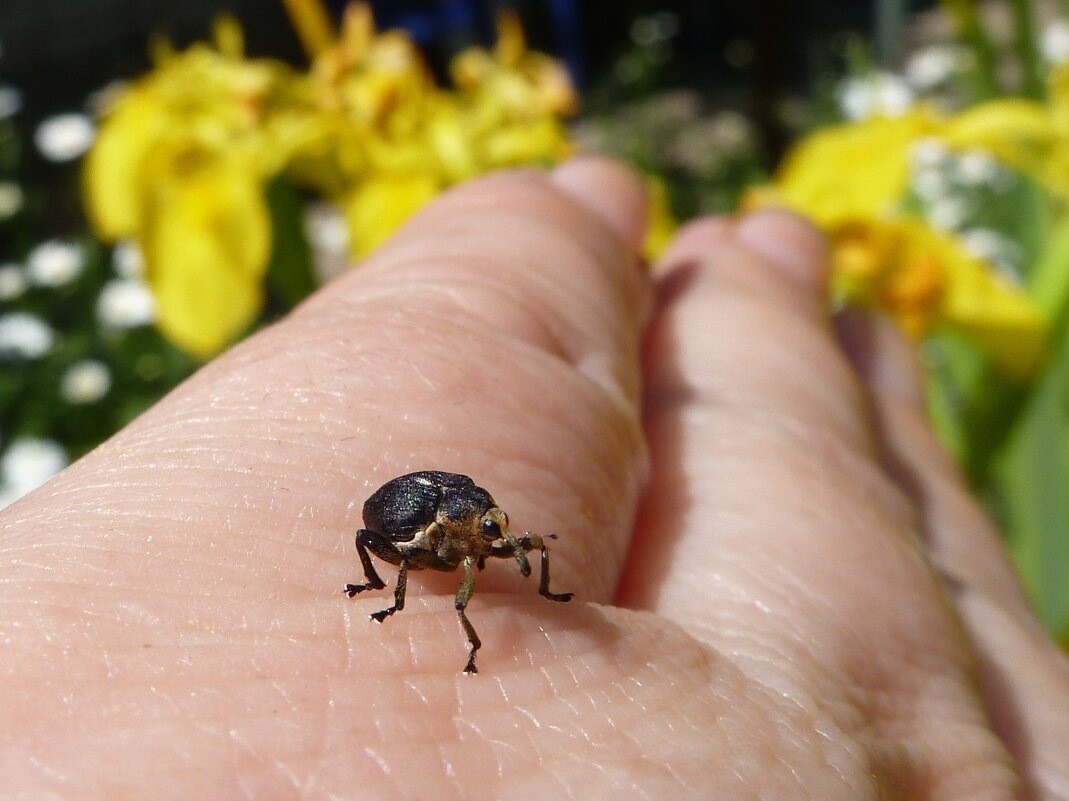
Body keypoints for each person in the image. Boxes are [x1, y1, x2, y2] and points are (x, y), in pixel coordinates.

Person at [1, 157, 1066, 799]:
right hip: (397, 510)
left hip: (432, 494)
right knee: (407, 559)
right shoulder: (425, 535)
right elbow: (400, 528)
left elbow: (503, 545)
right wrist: (413, 595)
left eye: (481, 536)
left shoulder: (487, 534)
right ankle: (387, 593)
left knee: (522, 558)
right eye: (474, 538)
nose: (483, 549)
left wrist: (544, 589)